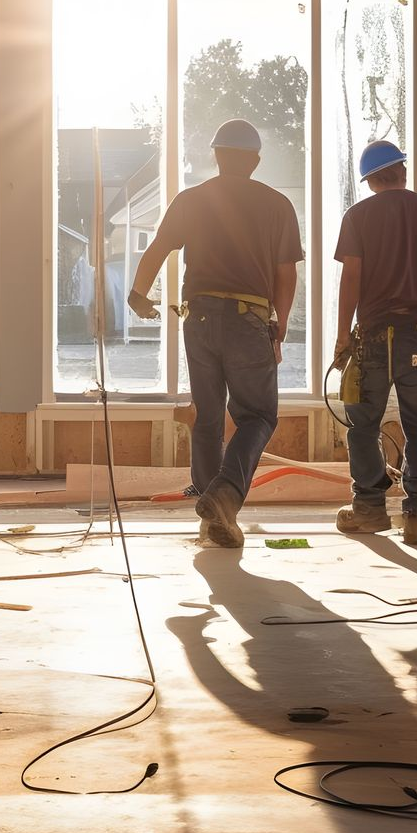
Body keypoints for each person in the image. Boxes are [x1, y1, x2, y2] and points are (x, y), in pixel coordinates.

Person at [127, 119, 304, 549]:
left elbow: (157, 248)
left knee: (207, 416)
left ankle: (211, 519)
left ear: (216, 156)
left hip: (200, 316)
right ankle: (223, 498)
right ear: (255, 161)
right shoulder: (277, 205)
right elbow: (286, 276)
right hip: (249, 318)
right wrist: (277, 327)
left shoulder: (192, 200)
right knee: (258, 416)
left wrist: (138, 295)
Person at [333, 139, 417, 546]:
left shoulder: (358, 216)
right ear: (403, 172)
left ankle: (370, 510)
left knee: (362, 424)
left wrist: (343, 336)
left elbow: (351, 280)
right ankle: (416, 515)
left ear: (371, 180)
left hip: (374, 337)